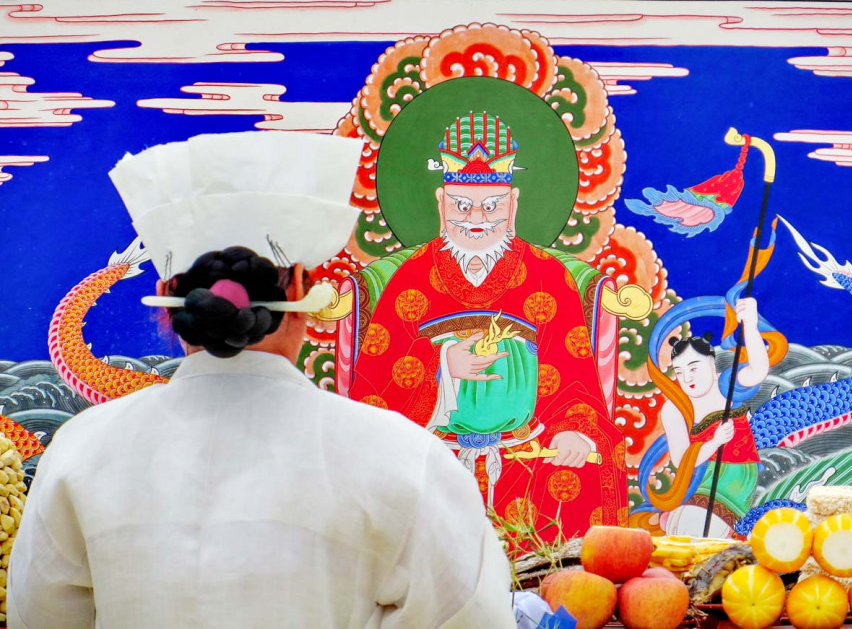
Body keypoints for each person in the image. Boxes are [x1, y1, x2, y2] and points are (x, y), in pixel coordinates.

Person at [8, 131, 517, 628]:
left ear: (168, 294)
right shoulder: (405, 459)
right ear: (299, 286)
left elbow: (39, 616)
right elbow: (471, 615)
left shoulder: (80, 451)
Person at [349, 112, 628, 537]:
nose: (476, 218)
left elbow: (574, 379)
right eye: (462, 206)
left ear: (512, 204)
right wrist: (442, 365)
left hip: (525, 451)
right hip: (433, 451)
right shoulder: (412, 278)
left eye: (491, 206)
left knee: (581, 481)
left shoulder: (548, 277)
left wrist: (575, 432)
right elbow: (374, 384)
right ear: (441, 204)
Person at [654, 297, 769, 537]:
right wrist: (714, 442)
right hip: (699, 476)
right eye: (680, 372)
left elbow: (758, 370)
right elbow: (682, 460)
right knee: (683, 529)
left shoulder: (726, 385)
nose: (688, 379)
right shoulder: (675, 407)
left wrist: (749, 324)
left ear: (712, 366)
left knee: (698, 528)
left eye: (694, 368)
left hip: (736, 478)